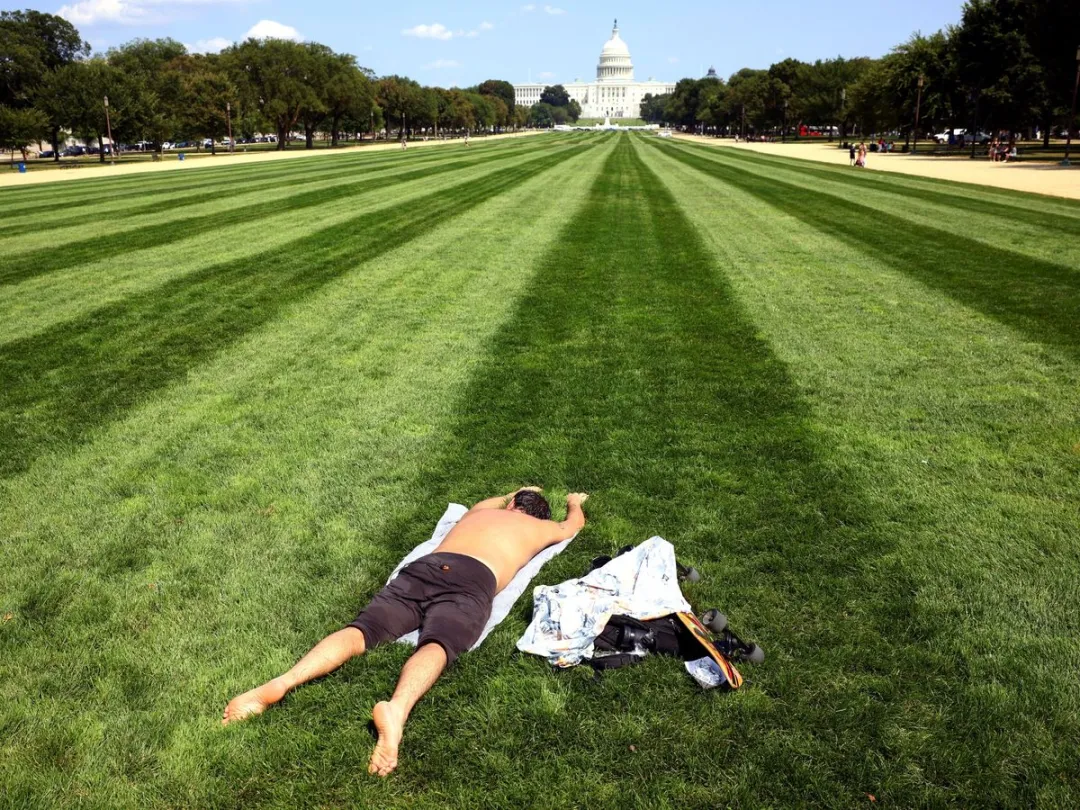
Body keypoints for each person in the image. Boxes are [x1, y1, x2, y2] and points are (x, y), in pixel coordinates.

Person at [222, 487, 588, 777]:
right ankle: (396, 710)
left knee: (362, 631)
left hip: (425, 568)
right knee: (439, 643)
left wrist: (515, 491)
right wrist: (574, 502)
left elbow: (492, 502)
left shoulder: (481, 512)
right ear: (536, 516)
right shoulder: (539, 528)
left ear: (511, 506)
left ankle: (284, 681)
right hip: (473, 579)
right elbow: (572, 526)